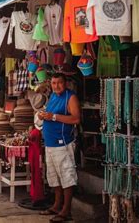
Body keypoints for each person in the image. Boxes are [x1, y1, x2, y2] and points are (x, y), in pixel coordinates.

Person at [38, 73, 80, 223]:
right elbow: (49, 113)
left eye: (59, 83)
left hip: (62, 143)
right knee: (54, 176)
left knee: (67, 176)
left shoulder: (70, 97)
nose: (56, 86)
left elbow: (76, 118)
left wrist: (54, 117)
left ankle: (66, 210)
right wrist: (43, 115)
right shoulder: (53, 96)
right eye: (54, 83)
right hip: (50, 143)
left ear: (65, 83)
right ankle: (57, 205)